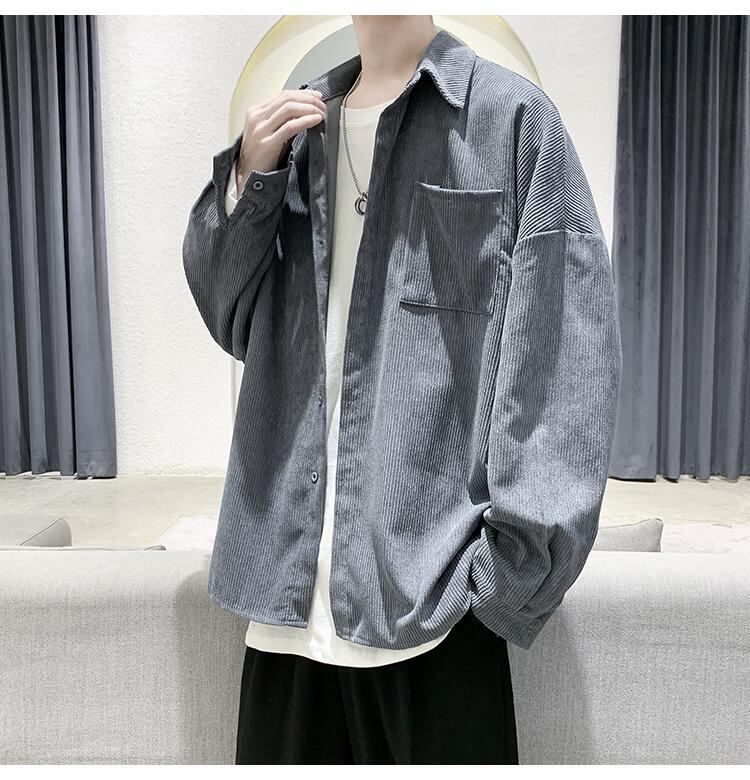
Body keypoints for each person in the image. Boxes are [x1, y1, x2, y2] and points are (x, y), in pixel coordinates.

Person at [182, 14, 622, 765]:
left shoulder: (511, 120)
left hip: (433, 609)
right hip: (283, 606)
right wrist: (249, 178)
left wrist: (503, 583)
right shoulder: (295, 138)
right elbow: (227, 313)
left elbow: (561, 362)